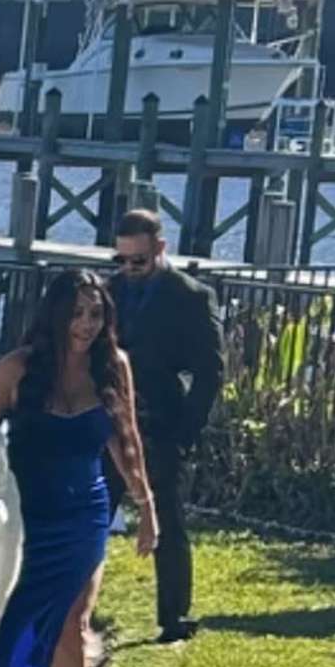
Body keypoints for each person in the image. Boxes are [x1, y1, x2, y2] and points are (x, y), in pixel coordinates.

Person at [0, 259, 150, 667]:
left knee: (74, 625)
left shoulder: (113, 366)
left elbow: (126, 440)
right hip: (26, 515)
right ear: (55, 316)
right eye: (76, 314)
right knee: (16, 630)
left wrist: (147, 506)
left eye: (95, 314)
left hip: (84, 514)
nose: (86, 325)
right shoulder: (19, 367)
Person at [102, 207, 220, 640]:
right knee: (92, 511)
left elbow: (210, 371)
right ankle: (70, 601)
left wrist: (186, 430)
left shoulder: (190, 296)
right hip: (108, 420)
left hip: (161, 420)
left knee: (167, 519)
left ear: (160, 249)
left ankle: (174, 616)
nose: (129, 268)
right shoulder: (108, 291)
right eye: (122, 259)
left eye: (139, 260)